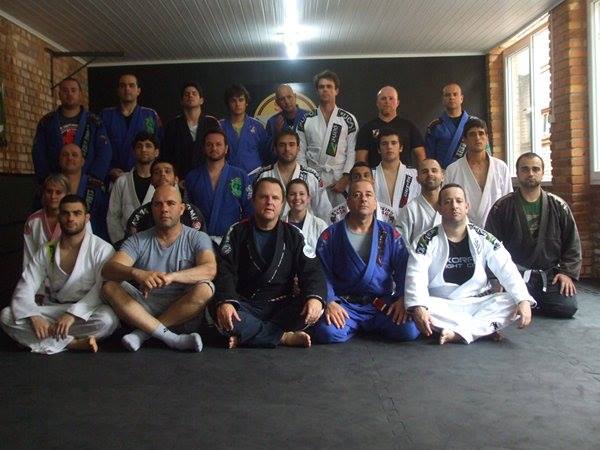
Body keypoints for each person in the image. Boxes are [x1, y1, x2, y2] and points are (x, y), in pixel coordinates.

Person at [405, 184, 535, 345]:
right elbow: (415, 275)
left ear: (467, 206)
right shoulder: (425, 241)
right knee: (419, 305)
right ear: (439, 208)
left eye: (459, 201)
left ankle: (459, 333)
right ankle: (482, 329)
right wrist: (419, 306)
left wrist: (522, 299)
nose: (454, 206)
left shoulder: (484, 237)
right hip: (443, 305)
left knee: (512, 301)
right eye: (447, 202)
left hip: (478, 302)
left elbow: (506, 268)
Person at [212, 177, 327, 348]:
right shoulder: (236, 231)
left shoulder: (294, 234)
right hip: (245, 305)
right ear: (253, 201)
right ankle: (283, 337)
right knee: (220, 310)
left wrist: (314, 299)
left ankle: (249, 335)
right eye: (263, 197)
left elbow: (312, 270)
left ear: (282, 203)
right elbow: (224, 271)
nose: (269, 202)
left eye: (275, 198)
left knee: (311, 306)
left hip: (281, 307)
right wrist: (227, 302)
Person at [101, 184, 216, 352]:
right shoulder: (138, 240)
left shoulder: (198, 237)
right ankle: (172, 339)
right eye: (158, 204)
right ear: (152, 209)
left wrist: (171, 277)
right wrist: (136, 273)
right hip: (144, 307)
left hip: (182, 310)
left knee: (206, 288)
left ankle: (143, 333)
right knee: (109, 286)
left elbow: (209, 269)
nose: (164, 209)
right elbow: (108, 269)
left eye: (170, 203)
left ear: (181, 209)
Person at [1, 195, 119, 354]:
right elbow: (26, 285)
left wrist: (72, 315)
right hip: (54, 308)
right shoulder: (48, 249)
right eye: (65, 213)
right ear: (59, 217)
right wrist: (34, 316)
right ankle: (72, 343)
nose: (71, 218)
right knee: (6, 316)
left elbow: (100, 289)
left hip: (87, 311)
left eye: (77, 213)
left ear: (86, 218)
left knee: (107, 320)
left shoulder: (101, 249)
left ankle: (38, 338)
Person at [312, 179, 419, 344]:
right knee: (326, 332)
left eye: (368, 195)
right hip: (345, 306)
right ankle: (355, 325)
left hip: (380, 305)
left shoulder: (389, 234)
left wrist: (402, 298)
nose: (363, 199)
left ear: (375, 202)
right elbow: (321, 272)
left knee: (409, 329)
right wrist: (330, 301)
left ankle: (364, 326)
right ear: (348, 202)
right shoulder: (331, 235)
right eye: (357, 195)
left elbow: (404, 269)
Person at [485, 152, 581, 318]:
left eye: (535, 169)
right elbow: (489, 245)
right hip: (515, 274)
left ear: (542, 173)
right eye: (525, 169)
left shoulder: (558, 206)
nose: (530, 173)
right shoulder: (502, 206)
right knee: (500, 304)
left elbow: (572, 243)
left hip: (548, 275)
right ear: (517, 173)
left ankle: (530, 302)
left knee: (567, 307)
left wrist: (566, 272)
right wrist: (495, 278)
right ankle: (530, 301)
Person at [32, 77, 111, 185]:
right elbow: (39, 152)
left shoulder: (94, 122)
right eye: (65, 90)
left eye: (73, 90)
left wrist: (95, 177)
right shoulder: (47, 122)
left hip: (87, 182)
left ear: (80, 94)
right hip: (55, 183)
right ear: (59, 95)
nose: (69, 94)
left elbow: (104, 151)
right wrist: (46, 178)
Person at [298, 70, 358, 206]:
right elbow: (299, 152)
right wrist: (306, 179)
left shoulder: (347, 119)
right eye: (321, 87)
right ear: (317, 91)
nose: (325, 89)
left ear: (336, 90)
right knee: (315, 215)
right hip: (314, 178)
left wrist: (346, 178)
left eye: (329, 86)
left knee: (341, 215)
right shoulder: (306, 119)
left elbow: (352, 151)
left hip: (339, 177)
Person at [185, 130, 252, 243]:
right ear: (203, 148)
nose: (214, 148)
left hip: (232, 240)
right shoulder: (192, 177)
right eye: (209, 144)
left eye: (218, 144)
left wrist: (242, 235)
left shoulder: (240, 176)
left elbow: (249, 209)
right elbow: (187, 210)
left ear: (226, 148)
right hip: (199, 240)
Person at [251, 130, 332, 221]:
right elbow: (254, 208)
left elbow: (324, 211)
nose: (287, 149)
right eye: (282, 145)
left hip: (304, 228)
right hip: (270, 227)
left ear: (298, 148)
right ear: (275, 149)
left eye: (291, 144)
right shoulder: (263, 175)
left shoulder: (311, 176)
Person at [445, 118, 512, 227]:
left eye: (481, 133)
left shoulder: (501, 167)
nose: (477, 138)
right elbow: (447, 204)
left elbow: (508, 203)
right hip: (463, 229)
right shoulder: (452, 170)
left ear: (487, 137)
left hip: (496, 228)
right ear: (464, 140)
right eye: (472, 134)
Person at [101, 74, 162, 182]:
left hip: (146, 175)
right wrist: (109, 170)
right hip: (113, 176)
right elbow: (99, 147)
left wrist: (152, 170)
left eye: (131, 85)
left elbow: (159, 146)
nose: (127, 89)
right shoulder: (106, 116)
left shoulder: (150, 115)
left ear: (138, 90)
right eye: (123, 86)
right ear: (118, 90)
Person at [125, 160, 205, 239]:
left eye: (167, 171)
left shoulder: (192, 214)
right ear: (151, 181)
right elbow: (130, 244)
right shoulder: (139, 216)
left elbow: (201, 244)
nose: (162, 175)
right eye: (157, 172)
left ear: (176, 179)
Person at [161, 81, 221, 178]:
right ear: (181, 101)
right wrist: (175, 178)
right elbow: (166, 155)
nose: (190, 96)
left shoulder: (212, 123)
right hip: (180, 179)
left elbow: (220, 151)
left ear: (201, 100)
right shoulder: (172, 125)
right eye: (186, 94)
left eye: (194, 93)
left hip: (208, 177)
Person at [356, 86, 425, 168]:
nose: (387, 102)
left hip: (405, 174)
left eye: (391, 98)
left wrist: (422, 173)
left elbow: (421, 157)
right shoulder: (367, 128)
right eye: (383, 98)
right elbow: (360, 160)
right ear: (377, 103)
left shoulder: (409, 127)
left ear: (397, 103)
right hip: (376, 174)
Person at [59, 143, 109, 240]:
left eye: (74, 155)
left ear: (82, 161)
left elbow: (104, 219)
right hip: (58, 239)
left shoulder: (96, 186)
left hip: (93, 240)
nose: (70, 158)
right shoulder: (52, 187)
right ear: (59, 160)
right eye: (65, 155)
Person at [23, 174, 70, 269]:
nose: (53, 196)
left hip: (71, 276)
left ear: (67, 195)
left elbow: (87, 253)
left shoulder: (78, 220)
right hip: (41, 274)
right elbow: (29, 258)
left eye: (58, 192)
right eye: (49, 191)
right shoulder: (33, 221)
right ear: (43, 193)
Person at [372, 128, 421, 220]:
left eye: (394, 143)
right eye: (384, 144)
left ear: (401, 148)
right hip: (377, 224)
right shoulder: (370, 174)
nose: (389, 147)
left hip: (408, 223)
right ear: (379, 149)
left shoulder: (414, 175)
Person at [220, 84, 268, 174]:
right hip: (229, 175)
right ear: (228, 103)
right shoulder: (220, 126)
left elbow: (265, 152)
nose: (237, 104)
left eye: (241, 100)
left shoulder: (257, 126)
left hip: (254, 175)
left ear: (246, 103)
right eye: (233, 101)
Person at [329, 162, 396, 225]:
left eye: (366, 176)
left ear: (373, 182)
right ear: (349, 183)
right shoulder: (335, 215)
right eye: (356, 177)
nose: (362, 179)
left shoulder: (389, 215)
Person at [397, 158, 443, 246]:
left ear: (442, 176)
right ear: (417, 179)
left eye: (434, 170)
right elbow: (401, 244)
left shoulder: (452, 205)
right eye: (425, 172)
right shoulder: (409, 210)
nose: (430, 174)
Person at [425, 83, 472, 169]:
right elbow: (429, 157)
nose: (451, 97)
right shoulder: (434, 126)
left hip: (470, 171)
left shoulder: (473, 123)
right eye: (447, 95)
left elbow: (484, 150)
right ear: (443, 100)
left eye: (455, 94)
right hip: (443, 173)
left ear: (461, 98)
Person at [283, 179, 328, 258]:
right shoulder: (279, 224)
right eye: (292, 194)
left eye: (301, 194)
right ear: (286, 198)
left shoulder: (320, 225)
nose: (297, 197)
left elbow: (328, 253)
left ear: (308, 198)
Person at [265, 84, 309, 157]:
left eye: (289, 97)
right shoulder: (272, 122)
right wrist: (277, 133)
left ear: (295, 96)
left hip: (305, 162)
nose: (287, 102)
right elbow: (269, 154)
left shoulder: (308, 117)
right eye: (282, 99)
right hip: (283, 163)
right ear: (277, 102)